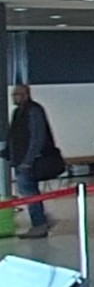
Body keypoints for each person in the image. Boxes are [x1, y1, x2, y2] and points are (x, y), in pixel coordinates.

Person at [6, 84, 55, 239]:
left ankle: (39, 225)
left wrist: (28, 160)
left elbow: (37, 137)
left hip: (28, 162)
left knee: (30, 193)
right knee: (28, 192)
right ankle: (41, 220)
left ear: (26, 94)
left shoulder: (34, 111)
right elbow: (14, 136)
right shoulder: (17, 113)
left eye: (17, 94)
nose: (14, 98)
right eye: (13, 95)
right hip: (19, 160)